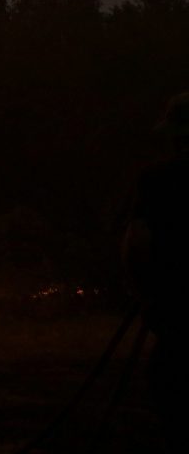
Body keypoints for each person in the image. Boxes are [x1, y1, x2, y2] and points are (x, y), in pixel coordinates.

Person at [123, 92, 189, 446]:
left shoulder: (157, 180)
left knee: (170, 386)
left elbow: (137, 245)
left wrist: (145, 295)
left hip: (177, 311)